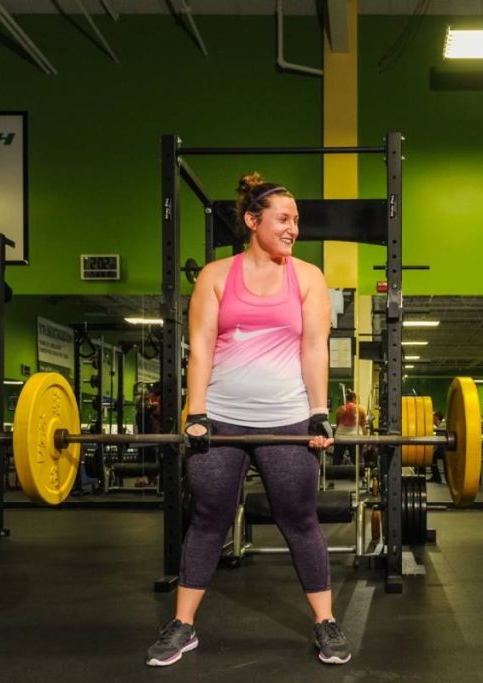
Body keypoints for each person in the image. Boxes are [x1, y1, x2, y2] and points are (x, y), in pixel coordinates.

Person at [145, 173, 351, 667]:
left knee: (299, 520)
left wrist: (319, 415)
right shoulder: (216, 276)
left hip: (286, 419)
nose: (293, 229)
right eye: (284, 219)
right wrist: (196, 415)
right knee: (208, 520)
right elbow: (200, 350)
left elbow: (313, 349)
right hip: (222, 419)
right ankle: (184, 625)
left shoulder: (308, 277)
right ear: (252, 220)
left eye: (296, 220)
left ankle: (325, 621)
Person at [332, 389, 366, 466]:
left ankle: (334, 476)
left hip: (340, 436)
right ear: (354, 398)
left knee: (337, 460)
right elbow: (363, 426)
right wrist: (365, 439)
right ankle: (360, 476)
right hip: (355, 436)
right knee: (357, 461)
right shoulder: (360, 409)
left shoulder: (340, 410)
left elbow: (337, 424)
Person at [427, 411, 447, 484]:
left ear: (436, 417)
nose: (432, 419)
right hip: (444, 449)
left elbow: (440, 441)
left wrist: (433, 449)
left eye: (433, 417)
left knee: (432, 456)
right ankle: (437, 477)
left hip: (445, 450)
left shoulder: (442, 426)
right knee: (432, 456)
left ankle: (437, 477)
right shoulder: (441, 425)